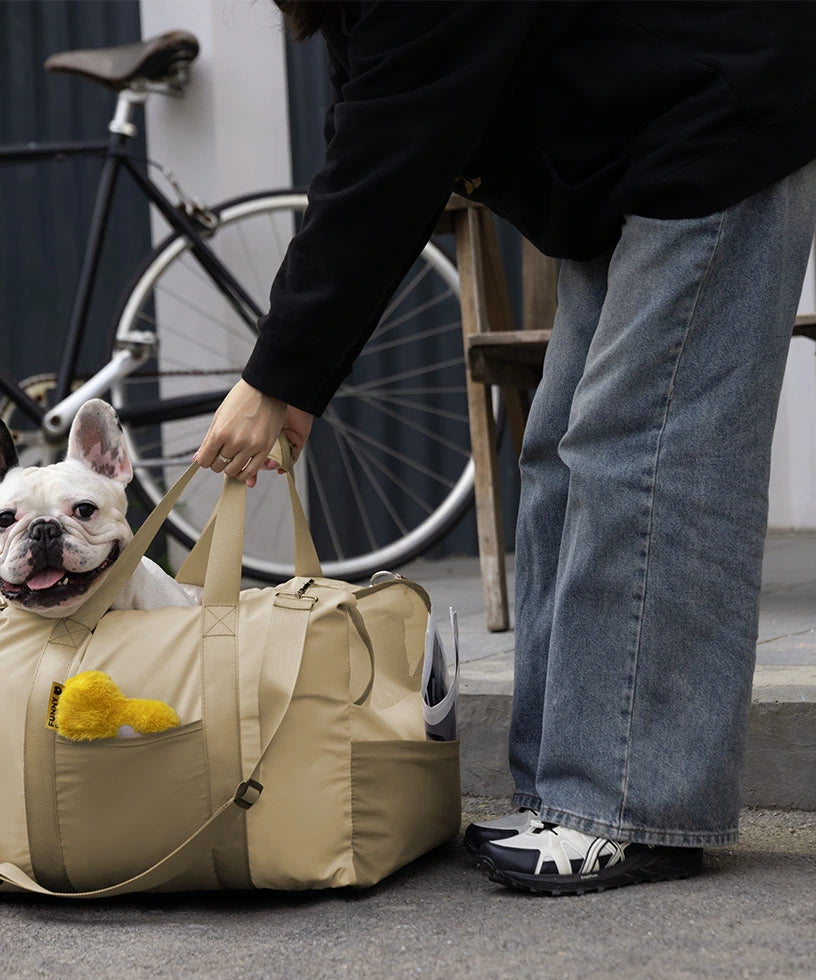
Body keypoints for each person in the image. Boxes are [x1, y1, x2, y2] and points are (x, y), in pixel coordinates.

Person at [195, 1, 816, 894]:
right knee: (561, 451)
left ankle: (629, 807)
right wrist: (301, 379)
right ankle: (563, 790)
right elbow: (369, 133)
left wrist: (277, 377)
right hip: (630, 157)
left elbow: (388, 163)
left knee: (645, 459)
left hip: (718, 125)